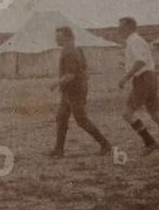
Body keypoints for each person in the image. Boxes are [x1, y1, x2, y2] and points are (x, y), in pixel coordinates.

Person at [117, 17, 159, 159]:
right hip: (148, 78)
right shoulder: (134, 41)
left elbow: (140, 61)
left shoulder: (135, 41)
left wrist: (125, 77)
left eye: (121, 27)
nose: (119, 30)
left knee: (127, 114)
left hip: (144, 78)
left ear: (129, 27)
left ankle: (150, 142)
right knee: (156, 114)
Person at [48, 26, 112, 158]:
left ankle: (105, 144)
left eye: (58, 37)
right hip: (72, 90)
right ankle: (59, 150)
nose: (55, 39)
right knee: (61, 118)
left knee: (81, 120)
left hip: (74, 91)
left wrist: (55, 84)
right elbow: (84, 69)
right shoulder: (76, 50)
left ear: (66, 37)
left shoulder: (70, 52)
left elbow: (70, 75)